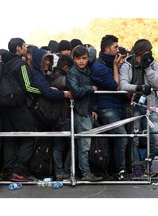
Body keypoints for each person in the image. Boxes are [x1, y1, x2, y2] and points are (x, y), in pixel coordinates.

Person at [0, 38, 40, 182]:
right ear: (18, 48)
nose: (25, 49)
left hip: (5, 106)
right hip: (19, 106)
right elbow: (28, 86)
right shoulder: (21, 64)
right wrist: (45, 91)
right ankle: (18, 171)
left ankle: (8, 171)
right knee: (30, 137)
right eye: (23, 46)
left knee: (10, 139)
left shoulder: (5, 64)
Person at [119, 39, 158, 177]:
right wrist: (138, 88)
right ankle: (137, 170)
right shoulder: (127, 65)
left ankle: (146, 166)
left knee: (156, 139)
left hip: (151, 107)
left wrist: (148, 68)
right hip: (134, 106)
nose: (149, 54)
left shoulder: (153, 63)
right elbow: (123, 85)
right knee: (136, 140)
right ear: (140, 52)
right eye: (147, 52)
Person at [90, 35, 128, 180]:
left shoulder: (112, 62)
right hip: (106, 107)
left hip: (118, 106)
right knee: (121, 136)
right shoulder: (99, 66)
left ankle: (114, 169)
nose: (118, 50)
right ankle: (120, 170)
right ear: (107, 49)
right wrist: (114, 67)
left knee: (117, 139)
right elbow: (115, 86)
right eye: (115, 47)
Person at [66, 45, 103, 182]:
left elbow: (88, 95)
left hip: (86, 110)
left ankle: (72, 171)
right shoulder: (72, 73)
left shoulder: (87, 70)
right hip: (80, 112)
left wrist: (93, 108)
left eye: (84, 58)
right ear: (73, 59)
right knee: (83, 146)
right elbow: (76, 91)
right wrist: (91, 88)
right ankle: (85, 173)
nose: (81, 61)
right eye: (78, 59)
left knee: (80, 145)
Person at [49, 55, 73, 180]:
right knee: (71, 145)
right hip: (64, 115)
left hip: (55, 116)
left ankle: (59, 172)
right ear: (66, 67)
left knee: (58, 146)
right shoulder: (60, 78)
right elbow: (71, 85)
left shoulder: (51, 75)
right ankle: (65, 171)